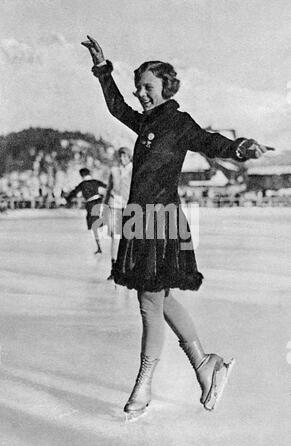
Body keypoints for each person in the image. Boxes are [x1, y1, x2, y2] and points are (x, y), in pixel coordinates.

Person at [81, 35, 269, 420]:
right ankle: (204, 364)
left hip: (160, 220)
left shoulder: (178, 123)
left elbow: (208, 141)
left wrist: (240, 147)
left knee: (150, 303)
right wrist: (103, 70)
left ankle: (144, 385)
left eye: (147, 88)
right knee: (159, 299)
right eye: (138, 89)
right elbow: (117, 107)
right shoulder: (145, 121)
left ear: (166, 87)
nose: (141, 95)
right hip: (139, 218)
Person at [103, 146, 133, 280]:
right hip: (114, 204)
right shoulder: (114, 170)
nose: (122, 159)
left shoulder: (134, 169)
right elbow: (108, 189)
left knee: (129, 237)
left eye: (125, 156)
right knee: (116, 237)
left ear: (129, 157)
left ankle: (127, 267)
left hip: (130, 206)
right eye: (121, 156)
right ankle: (114, 267)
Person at [64, 167, 107, 254]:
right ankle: (105, 243)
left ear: (81, 175)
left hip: (91, 205)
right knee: (101, 223)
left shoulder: (82, 184)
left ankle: (99, 246)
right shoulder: (96, 181)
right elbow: (107, 186)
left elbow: (73, 193)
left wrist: (67, 199)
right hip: (99, 202)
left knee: (94, 226)